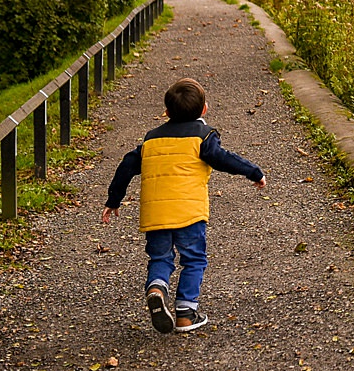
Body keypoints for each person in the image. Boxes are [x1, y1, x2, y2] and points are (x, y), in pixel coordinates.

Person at [102, 78, 266, 333]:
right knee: (193, 260)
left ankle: (156, 288)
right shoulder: (203, 136)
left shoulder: (150, 140)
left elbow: (126, 166)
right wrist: (253, 172)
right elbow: (224, 160)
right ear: (204, 110)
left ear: (166, 112)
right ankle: (186, 314)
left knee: (160, 257)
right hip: (189, 213)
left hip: (156, 214)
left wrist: (114, 200)